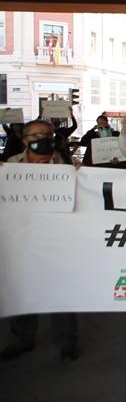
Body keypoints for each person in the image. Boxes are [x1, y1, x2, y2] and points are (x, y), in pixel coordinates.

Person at [0, 119, 79, 362]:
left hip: (58, 242)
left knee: (61, 294)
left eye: (48, 134)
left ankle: (67, 344)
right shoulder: (10, 167)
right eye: (37, 135)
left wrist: (80, 176)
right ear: (24, 140)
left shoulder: (67, 165)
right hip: (22, 241)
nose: (43, 138)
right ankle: (21, 340)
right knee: (23, 292)